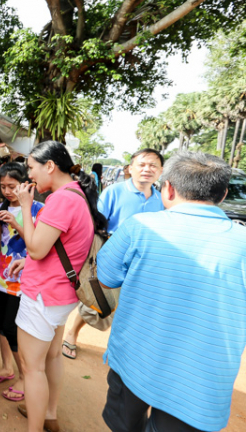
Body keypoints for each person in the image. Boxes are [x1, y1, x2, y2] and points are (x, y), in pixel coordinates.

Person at [98, 151, 246, 432]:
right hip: (200, 385)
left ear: (168, 188)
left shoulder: (139, 228)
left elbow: (105, 279)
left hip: (134, 363)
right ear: (223, 194)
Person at [9, 141, 106, 432]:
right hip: (61, 294)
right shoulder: (76, 194)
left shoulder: (61, 199)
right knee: (50, 357)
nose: (29, 175)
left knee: (31, 367)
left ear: (49, 166)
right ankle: (48, 413)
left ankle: (36, 426)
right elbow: (64, 246)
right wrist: (29, 261)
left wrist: (25, 206)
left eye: (31, 167)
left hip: (43, 294)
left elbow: (38, 249)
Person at [62, 148, 164, 359]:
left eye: (153, 165)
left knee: (128, 307)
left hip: (143, 264)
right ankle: (71, 333)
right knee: (98, 300)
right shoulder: (114, 192)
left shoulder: (162, 200)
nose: (147, 169)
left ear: (161, 171)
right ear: (130, 168)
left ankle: (118, 348)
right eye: (142, 164)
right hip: (111, 259)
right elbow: (95, 224)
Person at [0, 162, 44, 402]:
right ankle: (6, 367)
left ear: (25, 185)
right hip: (2, 277)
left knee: (14, 329)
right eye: (3, 186)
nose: (7, 191)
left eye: (12, 186)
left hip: (25, 281)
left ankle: (23, 376)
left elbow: (37, 246)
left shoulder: (37, 209)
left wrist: (15, 222)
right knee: (2, 325)